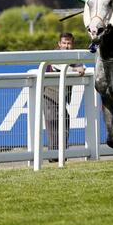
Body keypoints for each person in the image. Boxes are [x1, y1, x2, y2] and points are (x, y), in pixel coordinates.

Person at [42, 32, 86, 161]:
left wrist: (80, 68)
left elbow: (81, 67)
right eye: (64, 43)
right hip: (49, 96)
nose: (66, 46)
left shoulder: (73, 56)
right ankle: (54, 157)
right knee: (54, 125)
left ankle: (61, 156)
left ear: (72, 44)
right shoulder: (54, 56)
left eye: (69, 43)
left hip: (62, 99)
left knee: (64, 124)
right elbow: (63, 68)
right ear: (59, 44)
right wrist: (77, 70)